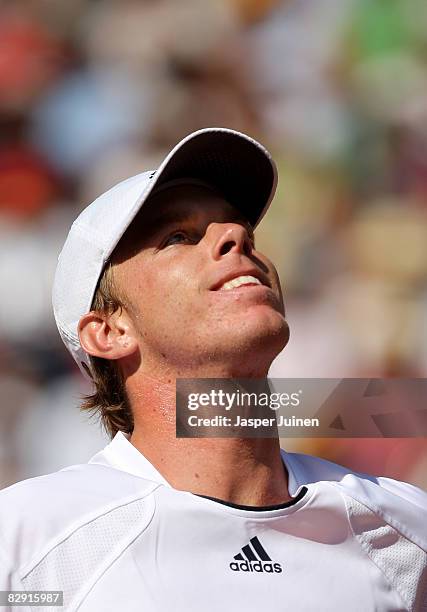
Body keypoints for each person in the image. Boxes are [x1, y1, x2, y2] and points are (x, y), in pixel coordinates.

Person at [0, 128, 426, 612]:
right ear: (110, 332)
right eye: (177, 236)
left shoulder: (407, 531)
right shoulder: (25, 542)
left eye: (241, 227)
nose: (237, 236)